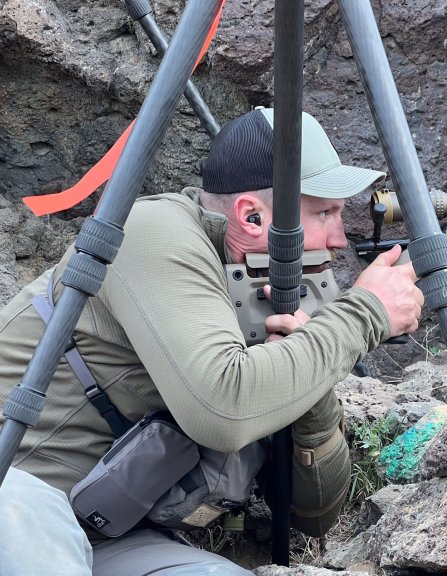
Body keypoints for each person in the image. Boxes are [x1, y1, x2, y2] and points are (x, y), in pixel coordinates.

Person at [0, 108, 424, 575]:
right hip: (16, 497)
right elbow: (223, 409)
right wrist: (365, 314)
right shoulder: (149, 231)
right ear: (252, 216)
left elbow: (314, 516)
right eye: (325, 213)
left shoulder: (257, 290)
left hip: (108, 537)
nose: (340, 239)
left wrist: (310, 376)